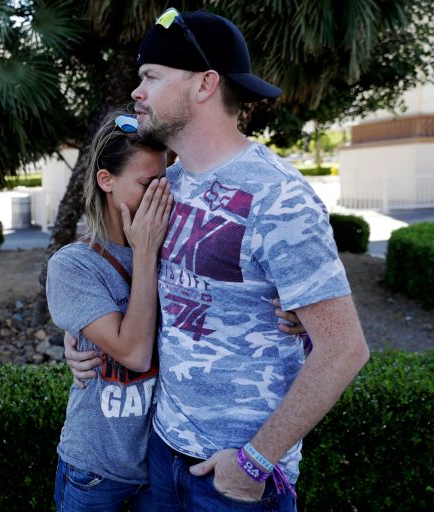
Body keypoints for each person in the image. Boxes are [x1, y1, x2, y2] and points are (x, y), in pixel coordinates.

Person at [129, 8, 369, 510]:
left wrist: (253, 463)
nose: (138, 91)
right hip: (163, 450)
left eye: (151, 76)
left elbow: (344, 349)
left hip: (234, 479)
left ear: (205, 85)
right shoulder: (167, 184)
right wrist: (79, 334)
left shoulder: (280, 197)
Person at [47, 110, 171, 511]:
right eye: (147, 184)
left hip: (161, 470)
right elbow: (133, 352)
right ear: (106, 181)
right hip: (95, 472)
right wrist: (146, 253)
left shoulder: (178, 248)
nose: (161, 195)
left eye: (165, 181)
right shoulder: (73, 265)